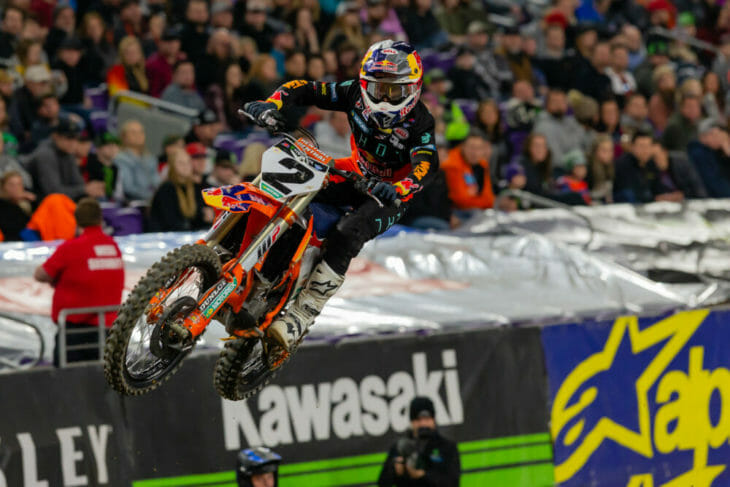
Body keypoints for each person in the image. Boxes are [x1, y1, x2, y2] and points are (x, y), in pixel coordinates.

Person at [244, 40, 438, 350]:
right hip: (355, 171)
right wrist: (272, 103)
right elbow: (306, 89)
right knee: (294, 194)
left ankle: (304, 312)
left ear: (413, 89)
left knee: (348, 232)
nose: (384, 99)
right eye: (378, 88)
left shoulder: (421, 121)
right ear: (364, 83)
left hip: (391, 194)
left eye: (393, 91)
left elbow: (426, 165)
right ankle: (263, 274)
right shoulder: (352, 92)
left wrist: (400, 187)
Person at [33, 197, 124, 367]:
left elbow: (41, 274)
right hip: (108, 329)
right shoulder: (113, 246)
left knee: (68, 380)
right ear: (100, 219)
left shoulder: (71, 248)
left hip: (75, 333)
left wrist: (57, 279)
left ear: (76, 220)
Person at [377, 396, 460, 486]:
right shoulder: (400, 447)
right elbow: (382, 482)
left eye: (427, 419)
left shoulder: (447, 447)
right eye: (418, 420)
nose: (423, 424)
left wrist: (423, 475)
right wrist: (394, 470)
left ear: (433, 420)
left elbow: (453, 482)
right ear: (412, 422)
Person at [25, 118, 105, 200]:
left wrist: (89, 189)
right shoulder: (45, 154)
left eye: (76, 138)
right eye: (69, 138)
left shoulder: (67, 151)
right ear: (55, 136)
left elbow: (78, 182)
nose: (73, 143)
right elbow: (53, 192)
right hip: (35, 199)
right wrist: (85, 189)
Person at [149, 147, 210, 232]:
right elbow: (170, 223)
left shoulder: (195, 187)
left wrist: (207, 216)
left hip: (189, 234)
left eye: (188, 162)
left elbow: (199, 218)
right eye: (181, 163)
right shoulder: (166, 189)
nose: (186, 166)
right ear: (172, 165)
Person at [441, 130, 495, 211]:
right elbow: (461, 200)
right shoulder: (452, 164)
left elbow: (489, 198)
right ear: (462, 146)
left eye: (479, 148)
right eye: (472, 148)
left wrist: (486, 202)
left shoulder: (482, 164)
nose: (475, 153)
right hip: (453, 211)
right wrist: (485, 202)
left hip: (475, 209)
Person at [113, 120, 160, 202]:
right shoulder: (120, 158)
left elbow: (157, 183)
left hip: (152, 201)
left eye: (141, 132)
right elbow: (128, 188)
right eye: (133, 132)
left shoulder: (151, 159)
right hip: (132, 203)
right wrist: (154, 198)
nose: (138, 135)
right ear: (124, 137)